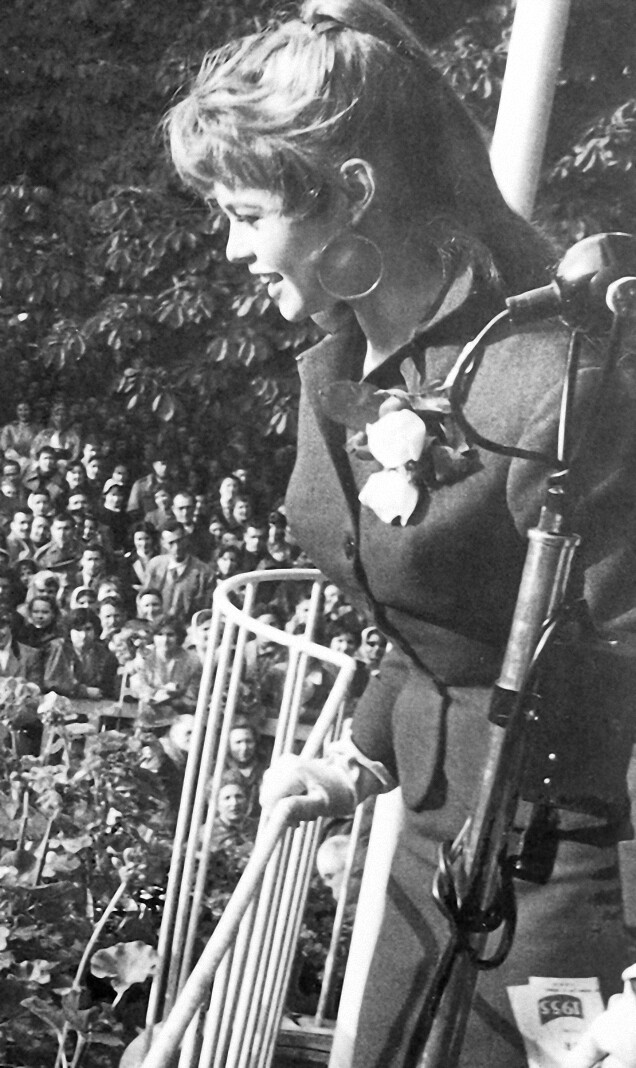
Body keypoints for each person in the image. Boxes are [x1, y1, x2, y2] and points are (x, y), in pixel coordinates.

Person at [165, 3, 636, 1066]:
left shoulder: (557, 382)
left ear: (353, 194)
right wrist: (359, 759)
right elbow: (442, 615)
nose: (234, 250)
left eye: (247, 215)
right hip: (434, 850)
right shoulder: (353, 369)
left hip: (576, 891)